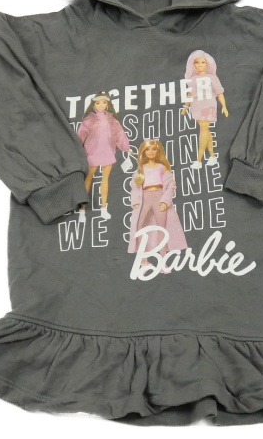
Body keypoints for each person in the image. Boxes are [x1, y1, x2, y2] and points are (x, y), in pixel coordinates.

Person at [128, 139, 188, 274]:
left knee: (162, 228)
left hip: (159, 197)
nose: (151, 152)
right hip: (144, 198)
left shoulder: (162, 168)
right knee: (139, 227)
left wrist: (165, 200)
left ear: (158, 151)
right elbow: (135, 187)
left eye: (154, 149)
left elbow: (171, 185)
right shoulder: (141, 170)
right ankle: (143, 261)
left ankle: (162, 261)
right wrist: (135, 200)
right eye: (147, 150)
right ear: (143, 152)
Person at [76, 90, 130, 220]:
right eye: (98, 103)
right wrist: (77, 148)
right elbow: (81, 134)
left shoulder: (112, 119)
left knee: (105, 179)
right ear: (94, 104)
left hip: (107, 150)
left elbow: (120, 133)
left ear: (108, 104)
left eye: (104, 102)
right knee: (88, 179)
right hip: (92, 151)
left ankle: (103, 209)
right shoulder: (89, 119)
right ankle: (82, 210)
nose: (101, 105)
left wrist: (126, 147)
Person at [181, 50, 228, 169]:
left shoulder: (212, 78)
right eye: (197, 62)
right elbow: (190, 94)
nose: (200, 65)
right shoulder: (192, 79)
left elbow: (219, 93)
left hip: (208, 105)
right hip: (196, 105)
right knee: (206, 130)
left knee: (203, 129)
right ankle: (212, 156)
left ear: (207, 64)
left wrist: (224, 106)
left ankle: (199, 160)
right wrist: (186, 106)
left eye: (203, 62)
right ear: (193, 64)